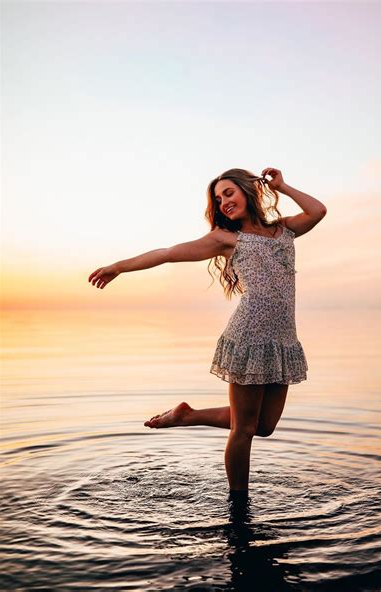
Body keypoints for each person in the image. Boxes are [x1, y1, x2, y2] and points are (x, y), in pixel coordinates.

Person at [88, 167, 327, 500]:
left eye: (229, 193)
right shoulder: (225, 239)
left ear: (248, 191)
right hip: (248, 338)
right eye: (218, 199)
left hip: (283, 341)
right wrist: (119, 267)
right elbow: (167, 253)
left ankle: (188, 415)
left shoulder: (283, 230)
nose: (224, 202)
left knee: (265, 426)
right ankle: (238, 506)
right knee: (244, 429)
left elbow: (318, 211)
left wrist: (282, 186)